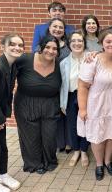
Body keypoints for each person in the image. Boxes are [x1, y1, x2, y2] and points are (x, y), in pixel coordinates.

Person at [77, 30, 112, 181]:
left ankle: (108, 161)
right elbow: (82, 86)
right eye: (108, 41)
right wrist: (82, 109)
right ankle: (99, 164)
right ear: (101, 43)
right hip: (97, 104)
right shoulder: (92, 60)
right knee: (98, 136)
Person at [14, 35, 62, 175]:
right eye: (47, 47)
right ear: (41, 47)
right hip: (26, 104)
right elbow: (7, 69)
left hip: (50, 105)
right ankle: (34, 163)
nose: (50, 51)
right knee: (30, 136)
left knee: (49, 136)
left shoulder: (59, 63)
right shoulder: (25, 59)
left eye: (54, 48)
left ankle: (49, 161)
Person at [0, 33, 23, 192]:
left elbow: (7, 93)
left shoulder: (12, 65)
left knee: (3, 147)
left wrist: (2, 117)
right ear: (3, 47)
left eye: (20, 45)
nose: (17, 48)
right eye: (12, 44)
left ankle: (3, 174)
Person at [60, 30, 90, 167]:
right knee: (72, 126)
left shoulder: (92, 58)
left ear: (84, 43)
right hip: (71, 97)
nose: (77, 43)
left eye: (80, 41)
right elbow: (63, 85)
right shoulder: (64, 63)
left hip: (89, 97)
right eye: (74, 41)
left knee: (86, 124)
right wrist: (62, 104)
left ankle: (84, 150)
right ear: (69, 44)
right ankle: (76, 150)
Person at [46, 18, 72, 153]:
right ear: (49, 27)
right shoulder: (44, 44)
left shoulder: (68, 45)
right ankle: (59, 142)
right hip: (50, 84)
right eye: (55, 27)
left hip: (66, 85)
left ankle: (68, 142)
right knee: (55, 115)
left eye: (61, 27)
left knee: (66, 113)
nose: (57, 29)